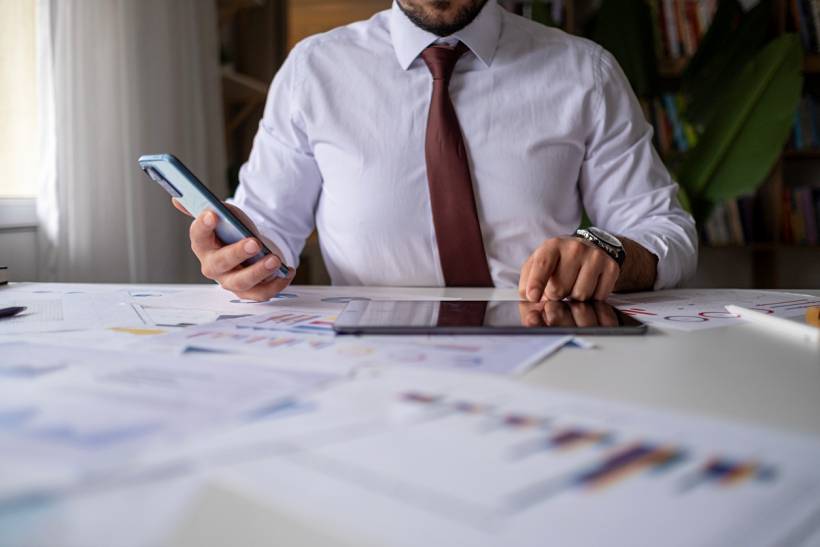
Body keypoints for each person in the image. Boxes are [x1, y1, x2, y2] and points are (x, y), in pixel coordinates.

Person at [174, 0, 697, 304]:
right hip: (366, 369)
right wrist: (238, 257)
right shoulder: (313, 71)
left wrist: (607, 250)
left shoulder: (586, 72)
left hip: (546, 349)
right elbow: (268, 236)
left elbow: (664, 231)